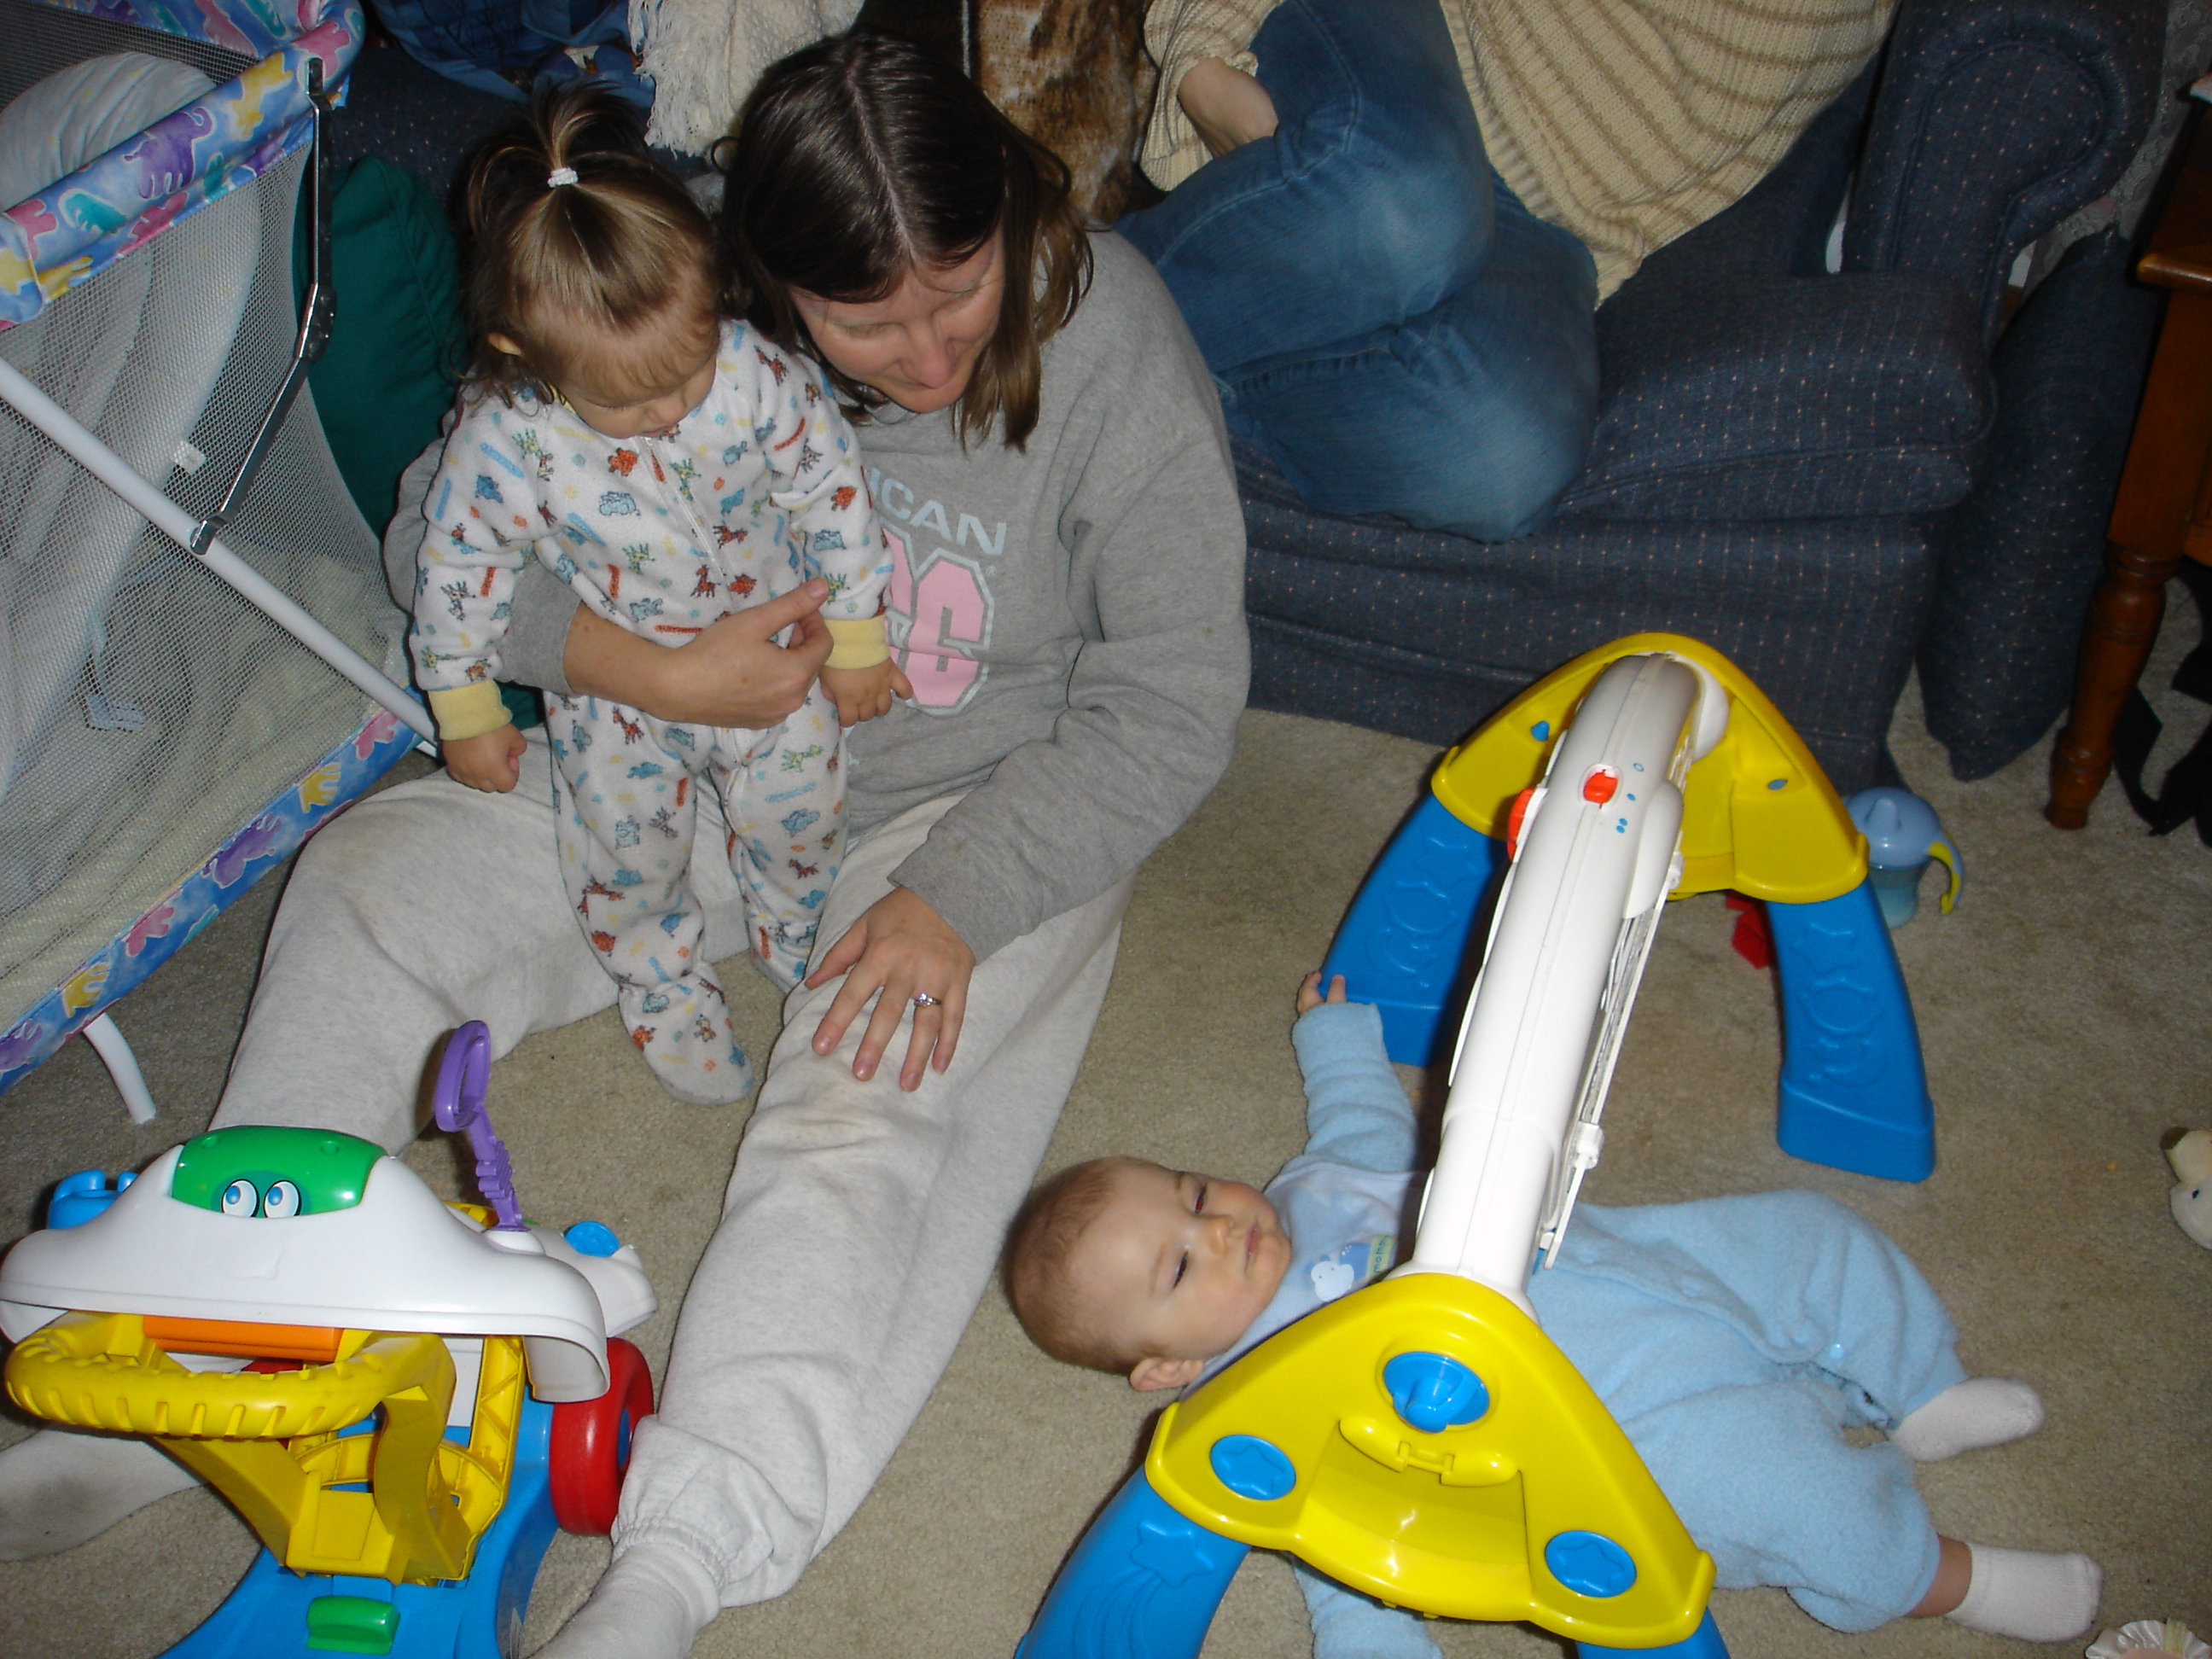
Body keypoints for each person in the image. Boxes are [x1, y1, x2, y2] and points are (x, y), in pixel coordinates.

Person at [0, 31, 1250, 1659]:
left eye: (962, 287)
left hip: (971, 801)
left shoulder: (1110, 342)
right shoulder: (658, 285)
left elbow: (1174, 698)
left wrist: (960, 898)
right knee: (369, 884)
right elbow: (436, 534)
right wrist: (639, 671)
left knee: (860, 1099)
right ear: (765, 283)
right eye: (868, 320)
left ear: (1011, 210)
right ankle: (225, 1338)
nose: (933, 350)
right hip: (661, 751)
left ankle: (679, 1559)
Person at [1004, 973, 2104, 1650]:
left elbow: (1359, 1120)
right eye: (1181, 1269)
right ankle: (1951, 1578)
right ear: (1166, 1370)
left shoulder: (1312, 1190)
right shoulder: (1267, 1411)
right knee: (1798, 1500)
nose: (1218, 1229)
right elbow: (1347, 1561)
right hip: (1629, 1428)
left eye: (1195, 1194)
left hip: (1653, 1261)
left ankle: (1923, 1386)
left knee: (1809, 1232)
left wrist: (1334, 1040)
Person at [413, 82, 899, 1104]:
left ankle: (795, 933)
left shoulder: (754, 376)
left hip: (777, 656)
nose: (671, 410)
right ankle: (661, 984)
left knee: (804, 816)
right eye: (631, 399)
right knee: (626, 857)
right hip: (620, 697)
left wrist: (858, 633)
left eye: (688, 369)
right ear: (523, 356)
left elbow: (834, 491)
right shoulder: (508, 438)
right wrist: (462, 702)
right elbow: (460, 568)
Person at [1119, 0, 1895, 541]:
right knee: (1406, 206)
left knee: (1502, 456)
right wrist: (1202, 59)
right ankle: (1060, 313)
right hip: (1412, 38)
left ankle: (1110, 367)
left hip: (1548, 224)